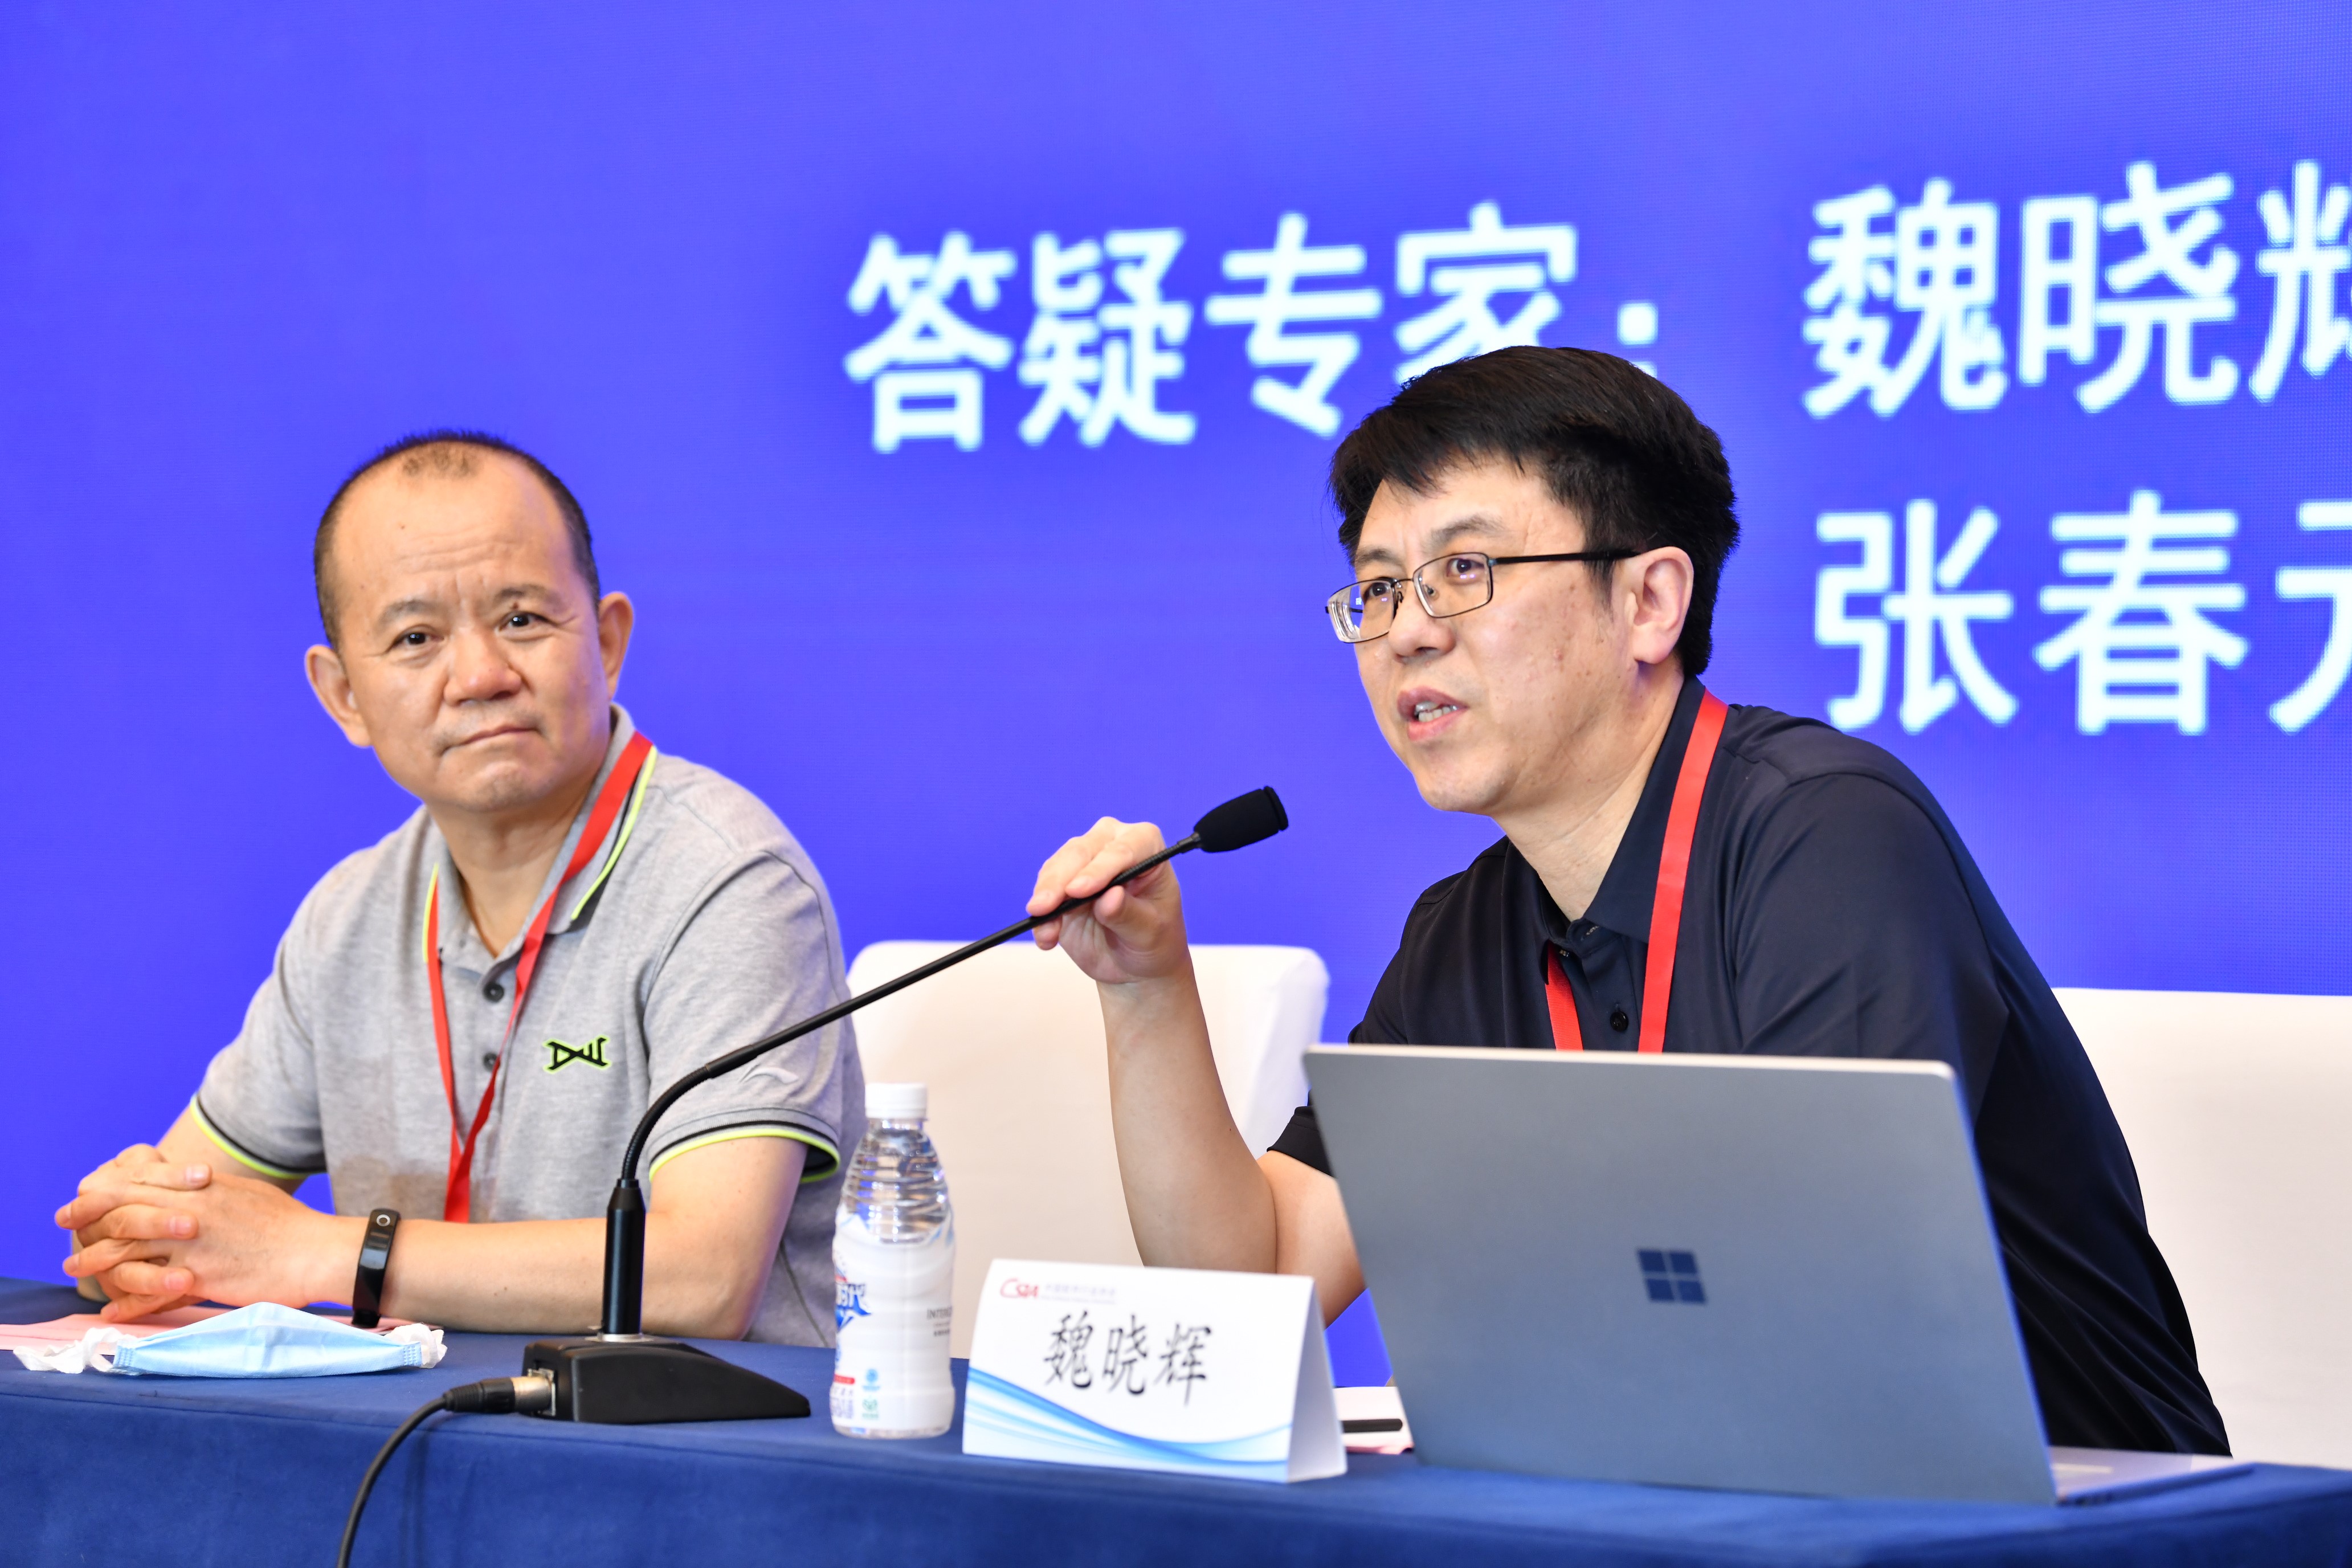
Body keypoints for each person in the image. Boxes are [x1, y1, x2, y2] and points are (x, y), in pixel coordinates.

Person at [1027, 346, 2230, 1455]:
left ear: (1650, 602)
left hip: (2079, 1514)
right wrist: (1146, 988)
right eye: (1378, 588)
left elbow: (1824, 1303)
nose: (1405, 635)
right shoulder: (1466, 934)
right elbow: (1258, 1282)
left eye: (1464, 571)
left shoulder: (1826, 836)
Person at [55, 432, 860, 1344]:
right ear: (344, 697)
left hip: (706, 1428)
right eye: (416, 638)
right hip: (423, 1422)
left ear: (607, 642)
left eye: (522, 620)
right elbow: (171, 1229)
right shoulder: (350, 916)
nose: (480, 676)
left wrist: (323, 1253)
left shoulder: (729, 882)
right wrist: (134, 1231)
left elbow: (701, 1278)